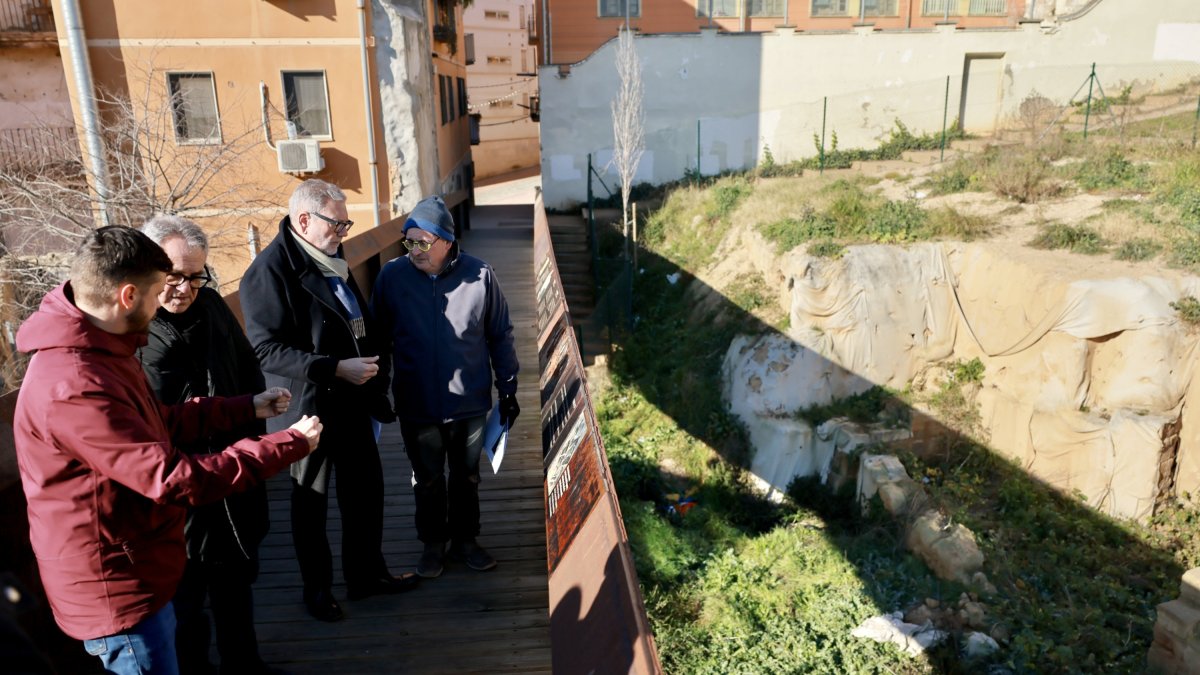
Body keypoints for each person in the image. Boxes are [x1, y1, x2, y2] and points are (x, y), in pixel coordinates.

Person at [12, 225, 322, 675]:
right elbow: (172, 477)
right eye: (161, 289)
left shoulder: (103, 351)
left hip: (140, 563)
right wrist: (284, 445)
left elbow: (157, 421)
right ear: (128, 296)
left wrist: (241, 407)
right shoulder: (75, 384)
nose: (165, 301)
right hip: (116, 587)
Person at [239, 179, 418, 623]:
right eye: (337, 223)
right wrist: (334, 367)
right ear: (305, 220)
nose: (343, 231)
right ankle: (317, 591)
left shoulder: (329, 256)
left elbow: (353, 320)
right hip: (309, 407)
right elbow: (265, 348)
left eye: (345, 223)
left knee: (366, 491)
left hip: (352, 401)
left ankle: (366, 575)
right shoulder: (269, 270)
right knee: (310, 504)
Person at [137, 216, 278, 675]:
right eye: (174, 275)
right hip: (179, 487)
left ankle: (246, 664)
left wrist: (256, 413)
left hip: (232, 470)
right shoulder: (136, 330)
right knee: (186, 598)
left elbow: (246, 368)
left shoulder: (214, 306)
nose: (186, 288)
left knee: (236, 580)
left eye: (196, 276)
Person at [371, 195, 520, 578]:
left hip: (469, 402)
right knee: (427, 479)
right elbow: (377, 340)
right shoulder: (391, 276)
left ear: (447, 243)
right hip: (416, 402)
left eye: (423, 242)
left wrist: (508, 388)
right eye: (409, 241)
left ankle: (466, 541)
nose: (415, 250)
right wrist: (378, 389)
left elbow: (500, 334)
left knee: (467, 475)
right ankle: (433, 545)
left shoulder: (481, 275)